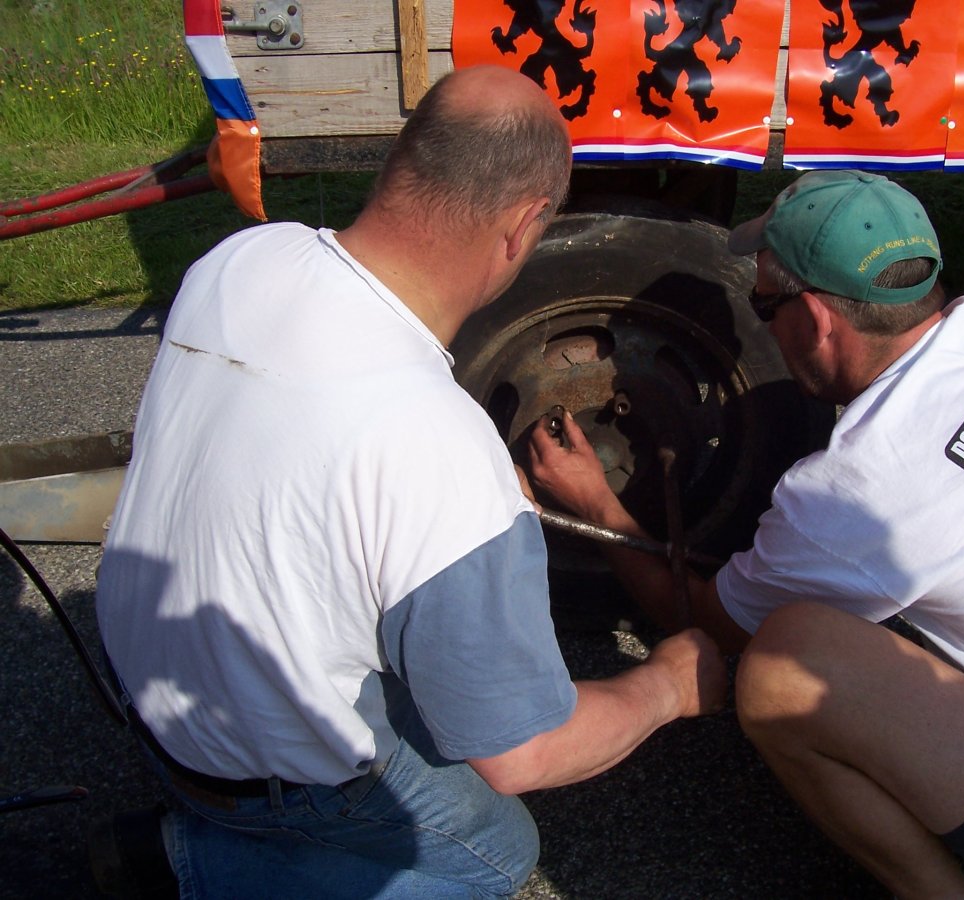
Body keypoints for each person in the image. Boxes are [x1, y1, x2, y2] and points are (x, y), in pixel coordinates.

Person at [92, 65, 726, 899]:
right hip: (255, 779)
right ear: (524, 225)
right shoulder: (439, 452)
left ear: (404, 163)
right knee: (495, 855)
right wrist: (667, 686)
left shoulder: (242, 258)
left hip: (142, 693)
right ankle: (193, 864)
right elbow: (524, 755)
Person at [528, 169, 964, 900]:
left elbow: (708, 621)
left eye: (764, 306)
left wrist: (598, 506)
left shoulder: (861, 483)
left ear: (817, 320)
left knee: (779, 669)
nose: (763, 325)